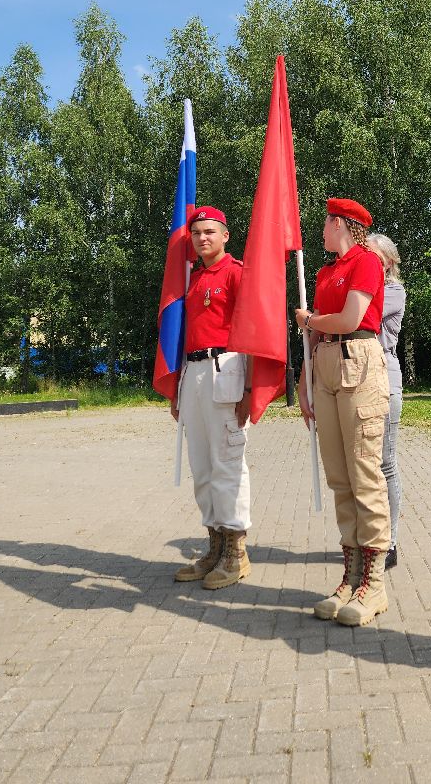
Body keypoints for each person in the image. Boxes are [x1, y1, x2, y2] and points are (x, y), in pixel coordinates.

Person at [295, 199, 391, 626]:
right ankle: (351, 577)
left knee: (364, 475)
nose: (321, 230)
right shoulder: (324, 272)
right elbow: (315, 337)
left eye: (325, 222)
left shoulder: (367, 261)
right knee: (339, 477)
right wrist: (304, 383)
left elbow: (352, 317)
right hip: (326, 365)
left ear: (340, 224)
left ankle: (374, 583)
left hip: (358, 361)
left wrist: (310, 320)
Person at [171, 206, 253, 590]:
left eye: (209, 232)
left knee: (227, 464)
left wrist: (249, 389)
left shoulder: (236, 273)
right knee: (202, 466)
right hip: (194, 373)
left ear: (225, 236)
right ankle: (215, 547)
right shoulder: (192, 277)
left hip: (226, 370)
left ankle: (236, 553)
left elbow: (252, 330)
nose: (202, 238)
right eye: (197, 233)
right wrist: (177, 389)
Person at [367, 234, 406, 570]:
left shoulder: (393, 291)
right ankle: (366, 537)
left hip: (383, 375)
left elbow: (360, 315)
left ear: (389, 263)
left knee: (385, 463)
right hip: (355, 377)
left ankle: (389, 542)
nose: (368, 262)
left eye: (375, 258)